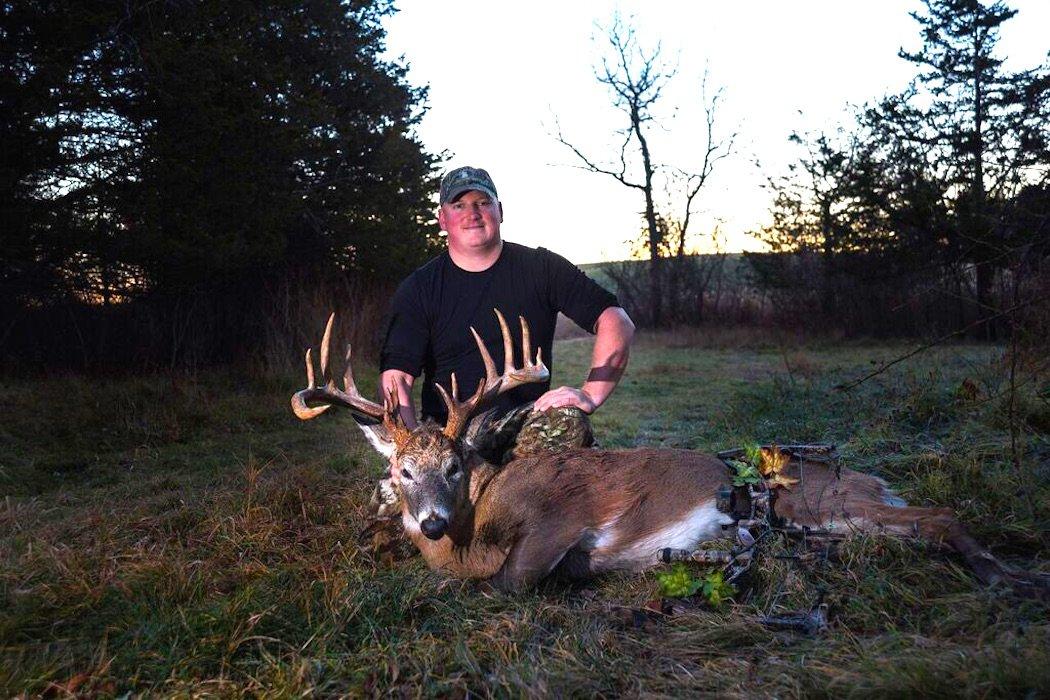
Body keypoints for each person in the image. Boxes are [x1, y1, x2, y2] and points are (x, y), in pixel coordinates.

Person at [378, 166, 635, 433]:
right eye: (459, 205)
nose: (472, 214)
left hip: (524, 431)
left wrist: (591, 394)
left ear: (500, 210)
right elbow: (397, 379)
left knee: (569, 425)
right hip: (451, 438)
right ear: (442, 219)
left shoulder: (541, 268)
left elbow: (616, 321)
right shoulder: (419, 288)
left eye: (482, 202)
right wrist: (406, 445)